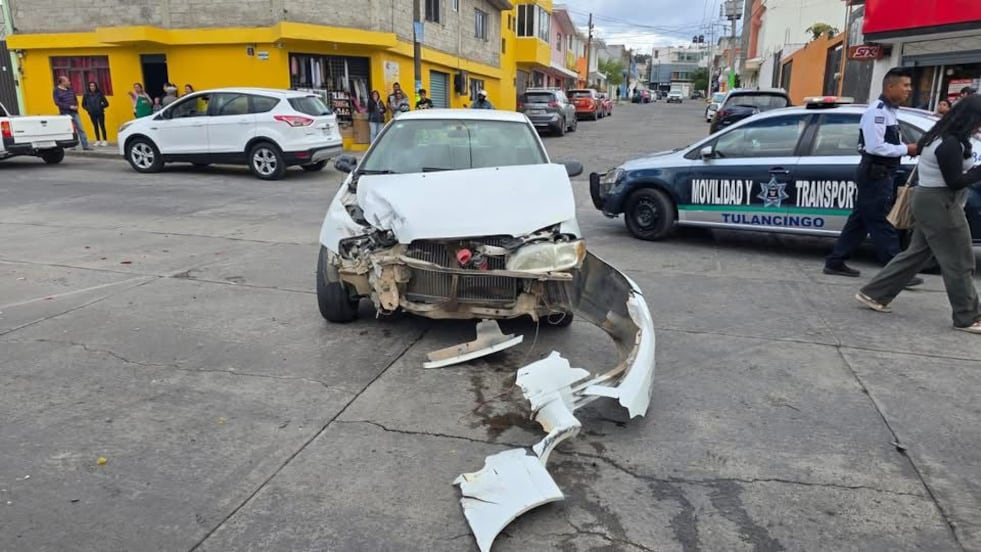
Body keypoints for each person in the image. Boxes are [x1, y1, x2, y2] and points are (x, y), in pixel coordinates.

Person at [855, 95, 981, 334]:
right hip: (941, 203)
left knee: (916, 254)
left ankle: (874, 293)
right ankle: (967, 316)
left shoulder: (940, 135)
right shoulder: (949, 144)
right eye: (978, 121)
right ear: (968, 119)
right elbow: (955, 181)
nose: (979, 126)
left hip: (930, 200)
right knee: (959, 261)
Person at [823, 67, 921, 287]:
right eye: (905, 85)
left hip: (881, 173)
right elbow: (876, 146)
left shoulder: (889, 112)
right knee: (880, 221)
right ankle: (897, 272)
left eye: (909, 85)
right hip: (875, 172)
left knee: (859, 220)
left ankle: (835, 261)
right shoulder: (877, 112)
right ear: (890, 87)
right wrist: (908, 149)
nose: (909, 90)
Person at [52, 76, 91, 150]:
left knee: (81, 128)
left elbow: (75, 99)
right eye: (67, 81)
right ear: (62, 82)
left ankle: (85, 145)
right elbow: (57, 102)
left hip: (74, 112)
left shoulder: (70, 89)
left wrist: (76, 105)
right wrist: (69, 107)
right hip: (65, 113)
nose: (69, 82)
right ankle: (72, 146)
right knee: (71, 130)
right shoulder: (56, 90)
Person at [82, 81, 109, 147]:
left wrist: (101, 106)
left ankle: (105, 140)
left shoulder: (100, 94)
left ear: (96, 87)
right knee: (95, 126)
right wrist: (88, 109)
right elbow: (83, 104)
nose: (92, 87)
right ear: (89, 87)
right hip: (92, 113)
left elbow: (107, 104)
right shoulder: (86, 95)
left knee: (102, 126)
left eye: (93, 86)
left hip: (100, 112)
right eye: (91, 86)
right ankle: (98, 140)